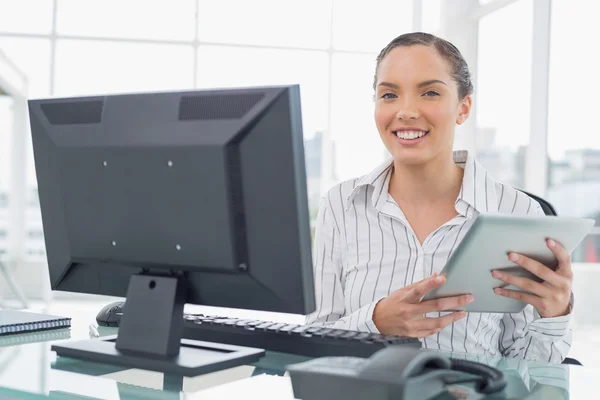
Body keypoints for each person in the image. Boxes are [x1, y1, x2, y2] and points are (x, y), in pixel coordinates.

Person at [305, 32, 573, 363]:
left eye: (429, 92)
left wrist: (554, 316)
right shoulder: (341, 205)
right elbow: (314, 345)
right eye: (389, 94)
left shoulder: (518, 211)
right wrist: (375, 323)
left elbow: (527, 370)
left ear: (463, 108)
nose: (406, 111)